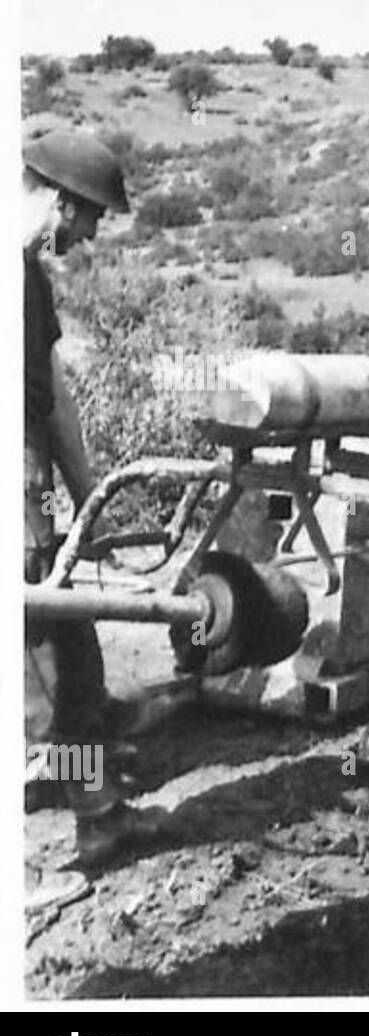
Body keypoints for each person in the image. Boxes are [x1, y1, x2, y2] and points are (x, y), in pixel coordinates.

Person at [23, 130, 167, 909]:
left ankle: (98, 814)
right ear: (57, 201)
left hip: (34, 502)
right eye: (89, 220)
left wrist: (89, 499)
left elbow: (55, 396)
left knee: (71, 674)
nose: (89, 237)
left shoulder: (29, 279)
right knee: (35, 694)